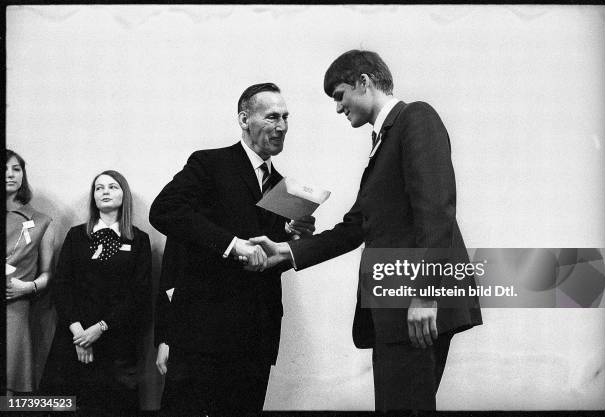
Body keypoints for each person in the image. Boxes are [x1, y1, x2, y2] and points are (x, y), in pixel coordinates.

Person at [250, 50, 483, 411]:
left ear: (364, 81)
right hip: (392, 307)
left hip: (412, 301)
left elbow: (436, 211)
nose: (339, 108)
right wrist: (287, 251)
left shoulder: (416, 117)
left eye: (339, 95)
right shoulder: (382, 141)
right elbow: (355, 226)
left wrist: (425, 295)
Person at [149, 82, 315, 415]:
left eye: (285, 117)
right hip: (202, 336)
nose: (281, 126)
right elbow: (163, 210)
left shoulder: (282, 186)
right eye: (271, 117)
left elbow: (269, 260)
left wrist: (292, 238)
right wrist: (231, 244)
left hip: (256, 337)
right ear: (244, 119)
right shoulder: (209, 164)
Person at [40, 170, 151, 415]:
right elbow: (62, 284)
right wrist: (79, 332)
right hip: (73, 338)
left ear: (124, 195)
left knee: (113, 407)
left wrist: (99, 328)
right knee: (66, 405)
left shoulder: (139, 240)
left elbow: (138, 293)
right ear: (94, 197)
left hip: (116, 341)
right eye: (99, 188)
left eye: (112, 187)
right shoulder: (76, 235)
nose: (105, 192)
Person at [5, 149, 54, 396]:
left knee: (11, 382)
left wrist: (28, 286)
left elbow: (47, 273)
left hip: (15, 306)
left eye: (16, 169)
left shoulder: (42, 220)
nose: (10, 174)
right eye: (4, 168)